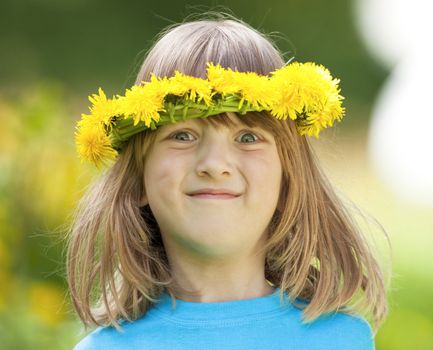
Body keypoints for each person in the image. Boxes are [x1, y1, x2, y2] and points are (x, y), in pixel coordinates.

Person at [68, 11, 390, 350]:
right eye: (183, 135)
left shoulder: (341, 340)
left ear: (289, 180)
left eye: (248, 138)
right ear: (137, 181)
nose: (215, 165)